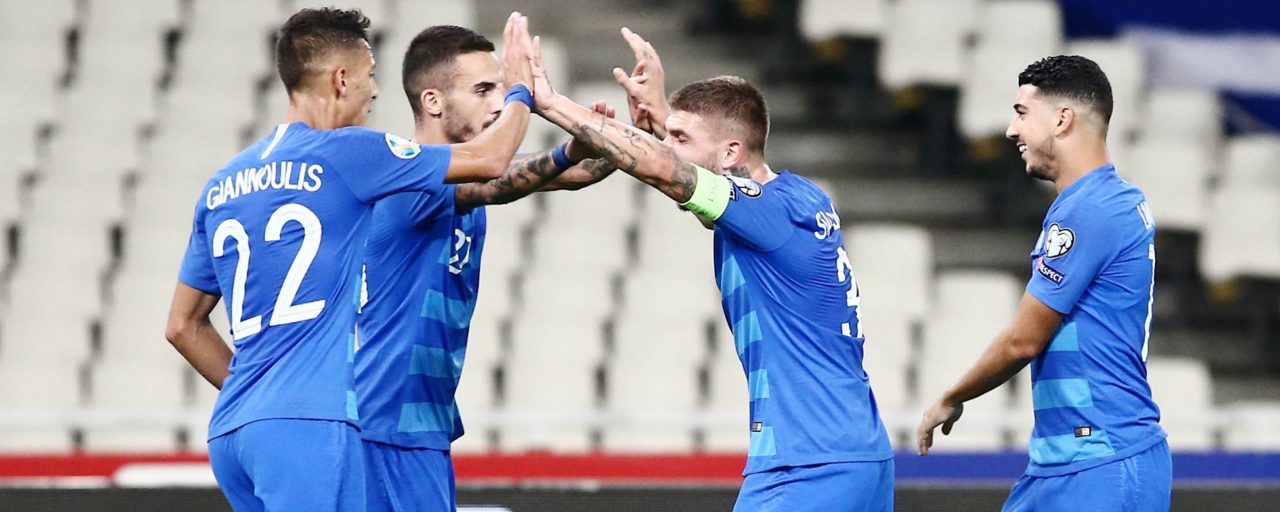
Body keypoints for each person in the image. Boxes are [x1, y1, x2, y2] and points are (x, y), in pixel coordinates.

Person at [165, 8, 538, 510]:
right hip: (307, 425)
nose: (375, 92)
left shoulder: (223, 183)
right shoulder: (348, 152)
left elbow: (182, 326)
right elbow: (491, 161)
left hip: (235, 428)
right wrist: (521, 90)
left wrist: (256, 395)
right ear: (342, 80)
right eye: (370, 76)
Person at [530, 29, 895, 511]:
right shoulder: (800, 197)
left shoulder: (767, 214)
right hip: (859, 454)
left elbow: (667, 172)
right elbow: (708, 185)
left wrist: (549, 102)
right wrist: (663, 118)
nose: (668, 146)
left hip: (808, 462)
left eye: (681, 139)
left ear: (730, 154)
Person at [355, 25, 615, 511]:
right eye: (482, 90)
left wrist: (636, 132)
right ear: (433, 101)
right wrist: (524, 97)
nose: (497, 103)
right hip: (389, 421)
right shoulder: (411, 178)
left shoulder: (458, 174)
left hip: (418, 421)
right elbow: (502, 178)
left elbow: (578, 170)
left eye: (499, 88)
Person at [916, 55, 1170, 511]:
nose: (1011, 130)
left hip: (1100, 459)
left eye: (1021, 113)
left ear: (1062, 118)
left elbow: (1023, 341)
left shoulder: (1089, 209)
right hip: (1069, 460)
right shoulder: (1108, 200)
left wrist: (952, 397)